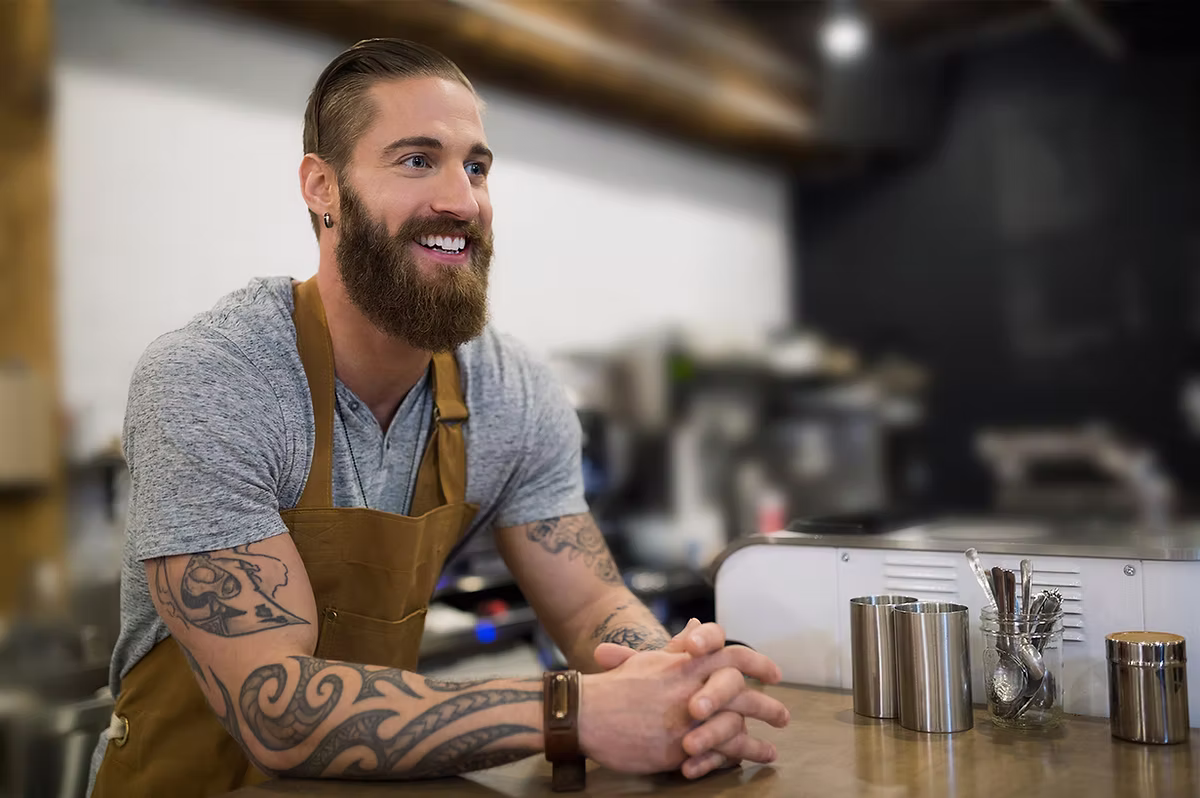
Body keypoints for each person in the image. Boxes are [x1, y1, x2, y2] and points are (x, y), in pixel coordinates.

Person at [87, 38, 789, 796]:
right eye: (417, 160)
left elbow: (589, 604)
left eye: (476, 166)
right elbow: (274, 706)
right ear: (321, 187)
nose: (462, 200)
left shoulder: (509, 389)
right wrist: (573, 711)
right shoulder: (214, 378)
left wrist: (674, 688)